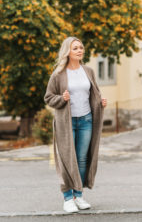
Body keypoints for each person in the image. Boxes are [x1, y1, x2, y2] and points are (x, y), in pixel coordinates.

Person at [44, 37, 107, 213]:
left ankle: (78, 195)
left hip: (86, 120)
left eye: (81, 47)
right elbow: (48, 97)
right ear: (68, 52)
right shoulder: (58, 74)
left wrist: (100, 102)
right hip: (67, 122)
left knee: (81, 159)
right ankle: (67, 197)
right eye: (75, 48)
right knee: (66, 159)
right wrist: (61, 99)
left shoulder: (88, 71)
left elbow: (94, 94)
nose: (80, 50)